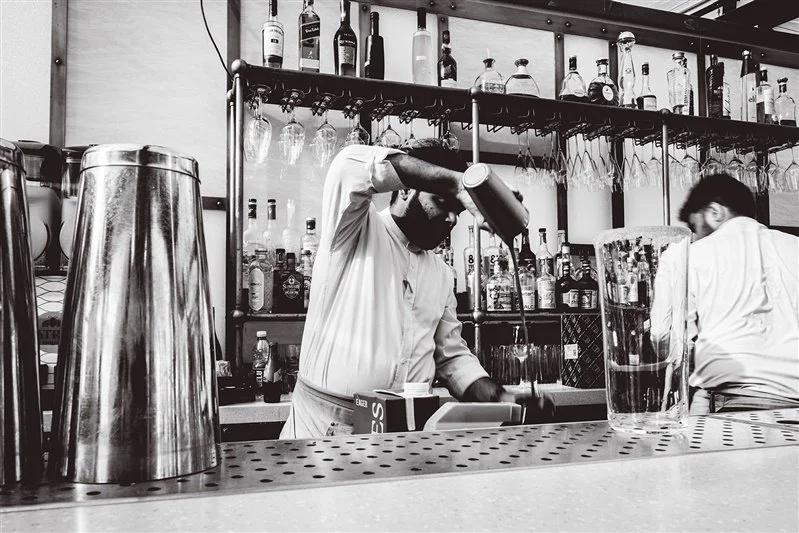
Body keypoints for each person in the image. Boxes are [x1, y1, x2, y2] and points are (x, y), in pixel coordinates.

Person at [280, 139, 551, 439]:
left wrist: (502, 399)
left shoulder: (441, 273)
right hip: (324, 435)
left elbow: (452, 358)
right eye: (443, 203)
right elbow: (349, 165)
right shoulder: (353, 231)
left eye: (458, 212)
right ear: (406, 188)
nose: (451, 219)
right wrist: (459, 184)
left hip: (404, 437)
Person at [678, 173, 799, 414]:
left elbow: (668, 339)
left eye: (696, 227)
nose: (696, 236)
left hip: (727, 399)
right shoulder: (795, 246)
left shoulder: (692, 254)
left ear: (715, 212)